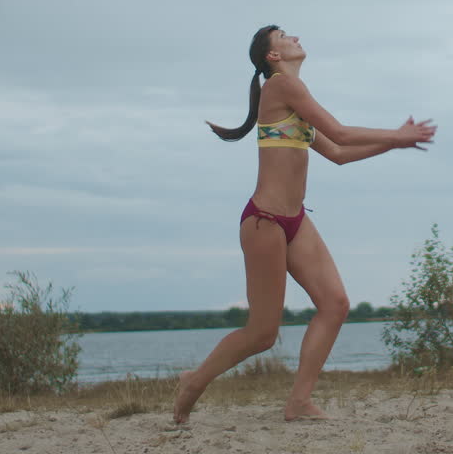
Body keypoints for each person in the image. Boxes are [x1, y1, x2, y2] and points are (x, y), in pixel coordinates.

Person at [172, 24, 436, 423]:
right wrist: (397, 135)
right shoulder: (280, 86)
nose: (294, 37)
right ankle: (193, 381)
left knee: (335, 304)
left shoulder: (292, 96)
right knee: (262, 334)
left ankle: (299, 402)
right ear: (273, 56)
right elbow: (340, 131)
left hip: (295, 220)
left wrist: (394, 143)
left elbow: (338, 152)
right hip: (264, 221)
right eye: (284, 36)